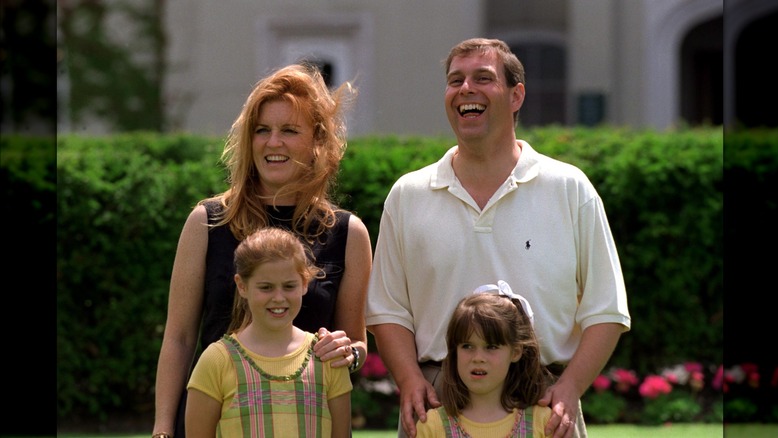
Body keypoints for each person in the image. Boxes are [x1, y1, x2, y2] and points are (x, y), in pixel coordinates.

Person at [365, 37, 631, 438]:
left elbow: (606, 310)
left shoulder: (569, 188)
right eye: (455, 80)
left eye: (483, 78)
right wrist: (408, 381)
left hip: (543, 402)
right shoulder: (408, 195)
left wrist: (570, 387)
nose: (465, 89)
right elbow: (388, 310)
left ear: (516, 95)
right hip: (437, 403)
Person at [152, 63, 373, 438]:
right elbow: (179, 338)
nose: (273, 143)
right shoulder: (206, 223)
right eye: (262, 130)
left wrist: (349, 353)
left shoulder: (348, 233)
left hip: (302, 424)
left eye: (289, 130)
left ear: (318, 140)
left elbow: (356, 343)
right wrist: (161, 429)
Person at [185, 227, 353, 437]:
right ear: (242, 286)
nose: (278, 298)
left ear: (304, 283)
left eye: (289, 286)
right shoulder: (217, 361)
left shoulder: (326, 357)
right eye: (266, 287)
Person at [416, 281, 553, 438]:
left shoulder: (543, 423)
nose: (478, 358)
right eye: (467, 346)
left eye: (491, 347)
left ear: (515, 352)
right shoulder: (432, 426)